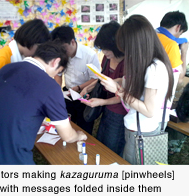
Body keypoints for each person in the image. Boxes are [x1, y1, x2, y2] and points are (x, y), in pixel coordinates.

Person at [0, 41, 87, 165]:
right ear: (56, 62)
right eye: (58, 72)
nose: (54, 76)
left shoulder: (5, 69)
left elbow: (16, 104)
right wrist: (78, 136)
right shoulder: (49, 85)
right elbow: (68, 136)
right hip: (12, 161)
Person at [96, 15, 174, 165]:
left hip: (142, 131)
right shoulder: (146, 64)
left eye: (126, 48)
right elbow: (134, 83)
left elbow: (149, 110)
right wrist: (117, 81)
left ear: (136, 45)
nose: (126, 53)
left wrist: (118, 90)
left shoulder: (154, 68)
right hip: (136, 127)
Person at [80, 21, 127, 156]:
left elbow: (124, 95)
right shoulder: (106, 59)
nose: (104, 52)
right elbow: (102, 79)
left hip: (120, 111)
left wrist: (102, 102)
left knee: (112, 147)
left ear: (117, 44)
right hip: (106, 107)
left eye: (106, 48)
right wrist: (88, 88)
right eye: (102, 48)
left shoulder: (128, 62)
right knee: (101, 142)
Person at [51, 25, 101, 134]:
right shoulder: (60, 56)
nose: (62, 53)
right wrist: (57, 91)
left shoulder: (89, 55)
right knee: (67, 126)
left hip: (85, 95)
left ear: (72, 42)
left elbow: (96, 79)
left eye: (63, 49)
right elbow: (58, 74)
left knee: (84, 129)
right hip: (68, 94)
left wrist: (79, 87)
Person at [0, 18, 51, 86]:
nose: (38, 52)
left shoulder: (22, 56)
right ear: (29, 41)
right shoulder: (3, 58)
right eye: (39, 48)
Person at [157, 11, 188, 83]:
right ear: (178, 27)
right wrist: (184, 51)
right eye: (180, 33)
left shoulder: (148, 36)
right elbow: (179, 78)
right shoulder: (171, 45)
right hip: (158, 90)